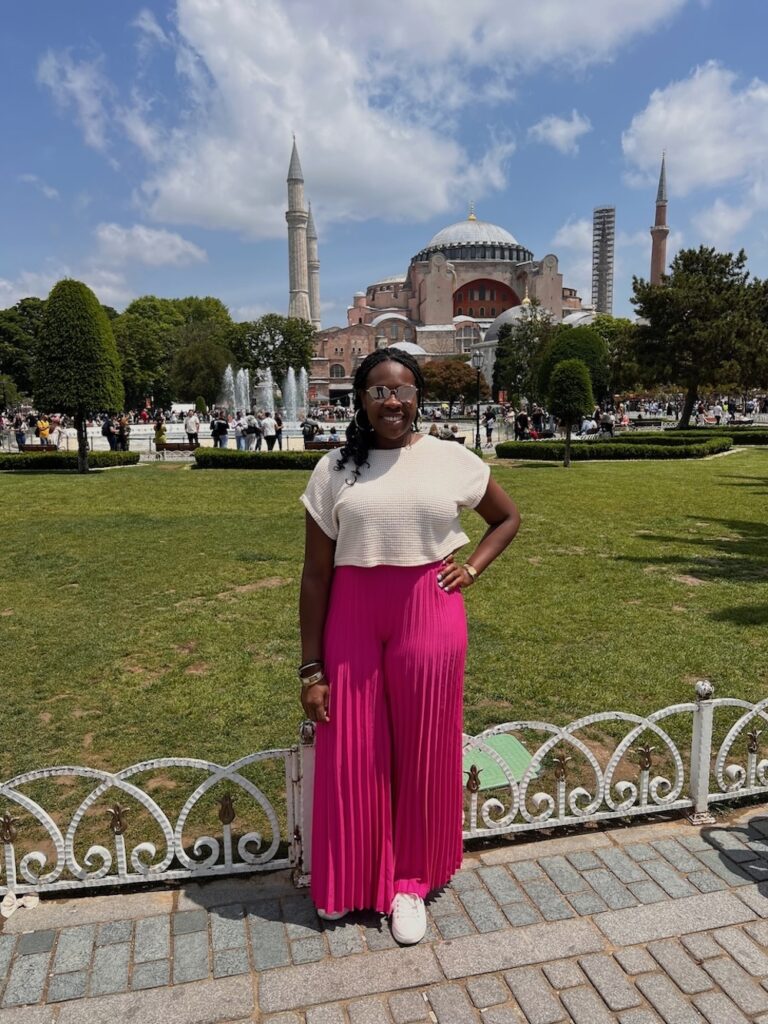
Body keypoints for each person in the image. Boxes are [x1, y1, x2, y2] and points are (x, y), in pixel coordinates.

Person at [299, 348, 520, 944]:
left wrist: (471, 568)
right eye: (378, 391)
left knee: (424, 749)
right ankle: (347, 879)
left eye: (402, 390)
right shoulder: (335, 469)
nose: (391, 401)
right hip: (352, 614)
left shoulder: (450, 458)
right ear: (361, 400)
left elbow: (506, 518)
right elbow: (315, 577)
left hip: (429, 609)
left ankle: (409, 882)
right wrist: (310, 667)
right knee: (351, 746)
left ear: (418, 397)